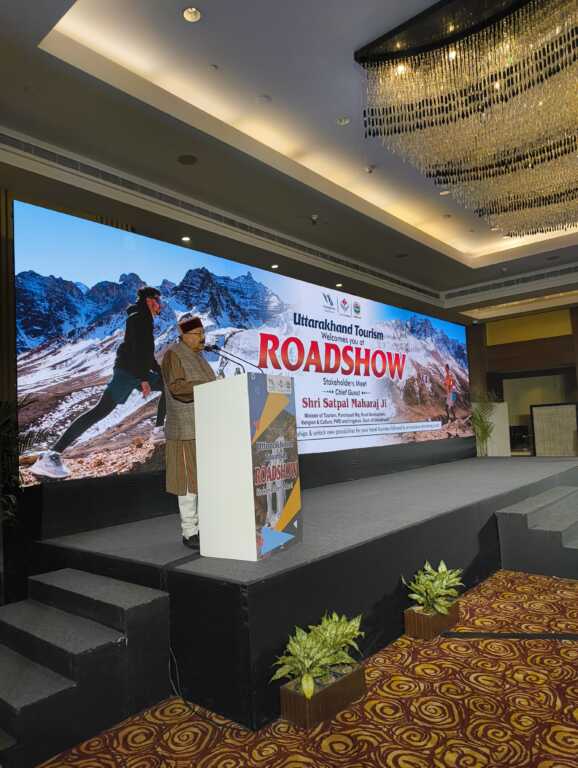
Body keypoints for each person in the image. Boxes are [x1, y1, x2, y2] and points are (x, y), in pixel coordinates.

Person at [31, 286, 166, 479]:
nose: (160, 304)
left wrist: (159, 372)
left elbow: (146, 353)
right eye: (157, 300)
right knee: (99, 412)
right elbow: (136, 349)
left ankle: (158, 430)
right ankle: (51, 455)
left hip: (136, 370)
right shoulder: (139, 318)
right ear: (149, 301)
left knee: (168, 386)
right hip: (129, 372)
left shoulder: (144, 318)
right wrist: (144, 378)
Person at [161, 315, 216, 549]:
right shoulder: (173, 355)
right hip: (184, 429)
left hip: (205, 428)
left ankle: (205, 526)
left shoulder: (200, 356)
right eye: (198, 334)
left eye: (203, 333)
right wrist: (211, 387)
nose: (202, 338)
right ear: (184, 335)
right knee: (187, 483)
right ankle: (190, 531)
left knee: (203, 481)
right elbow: (177, 388)